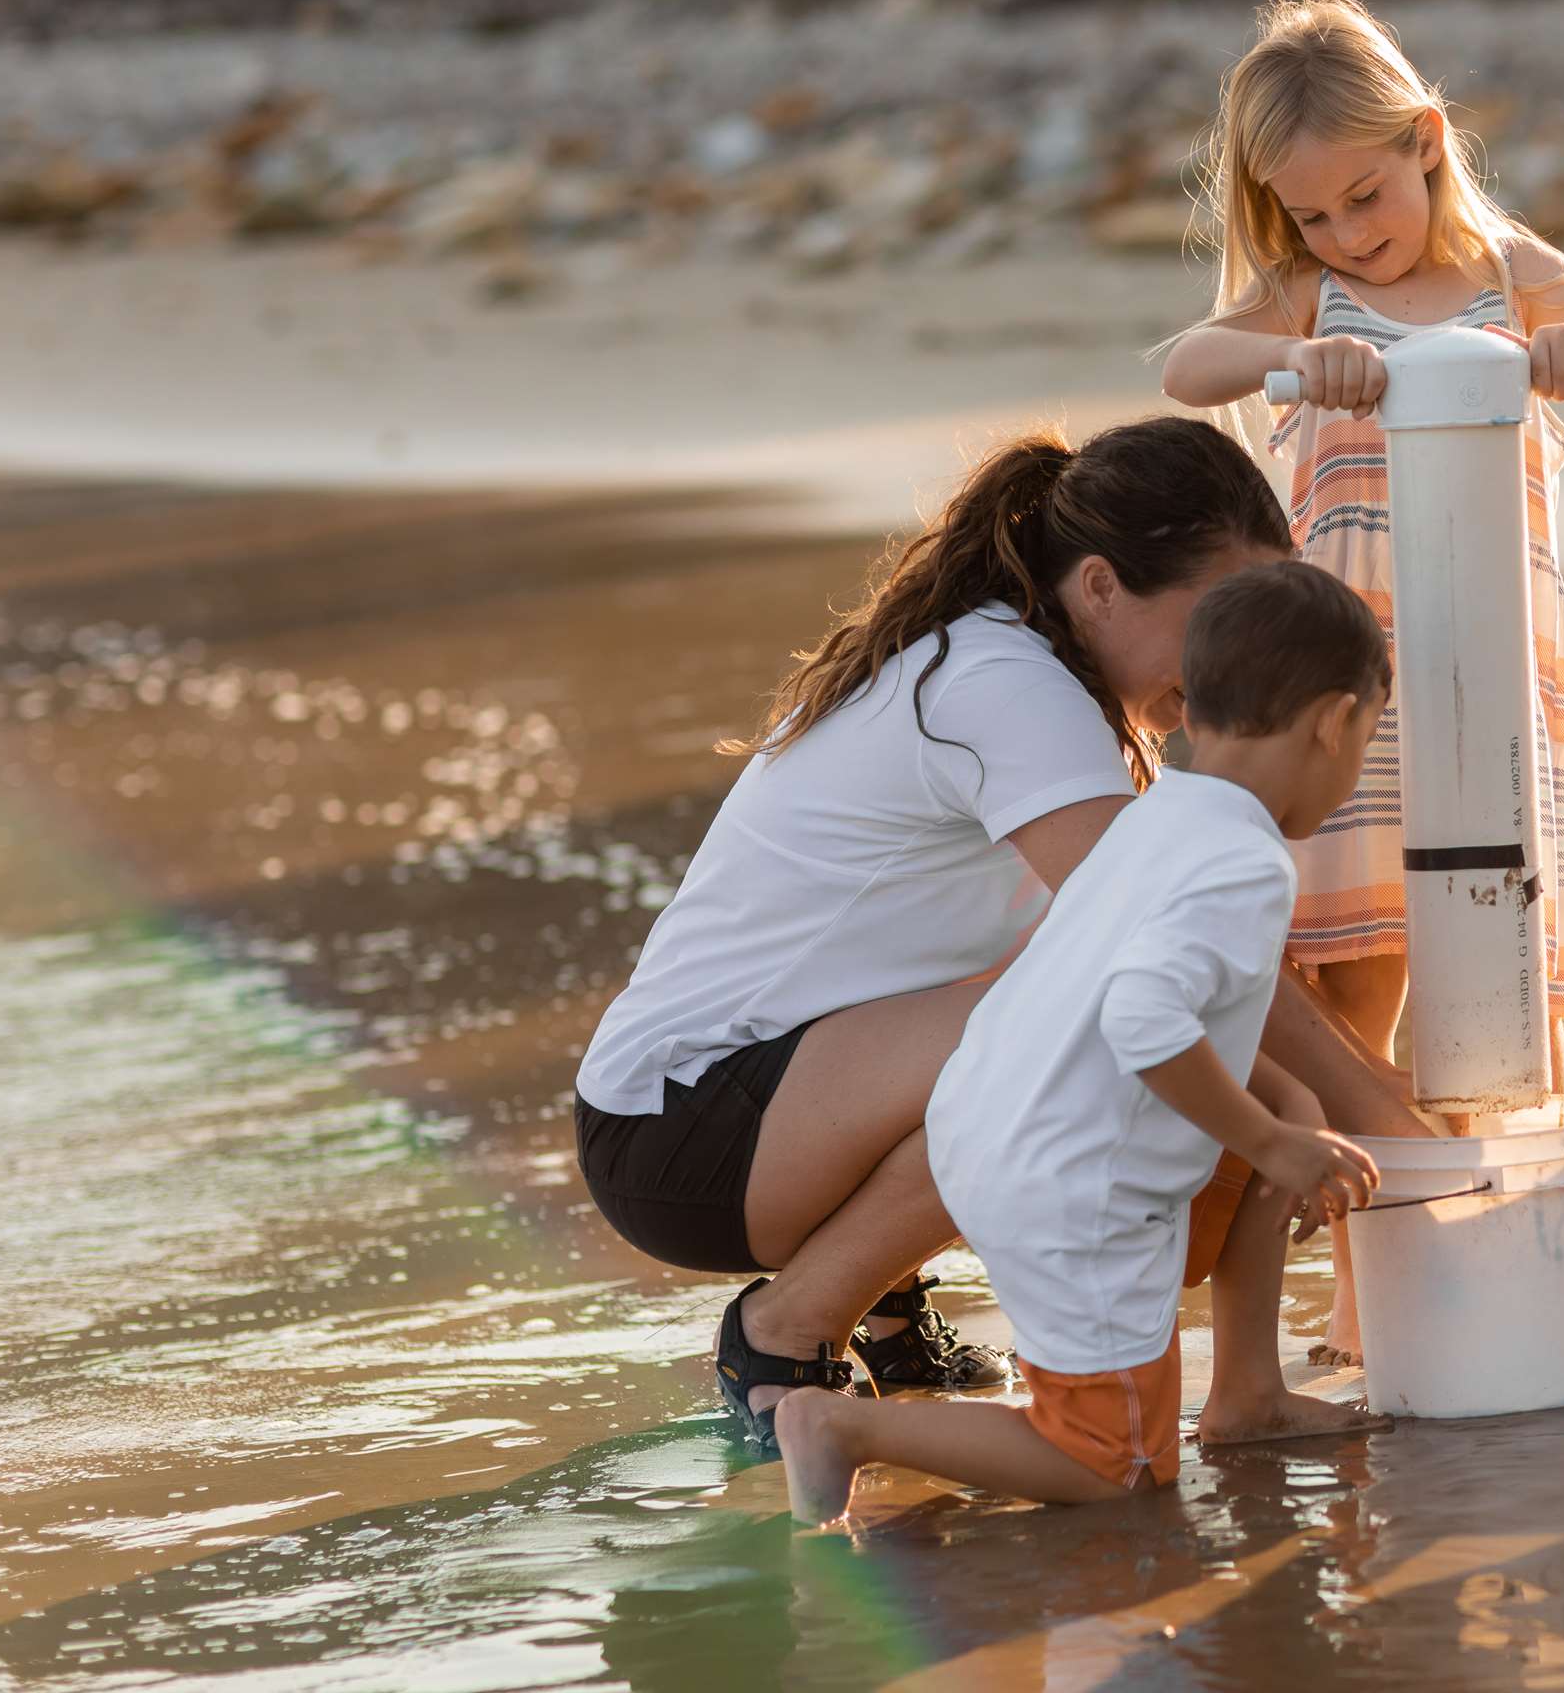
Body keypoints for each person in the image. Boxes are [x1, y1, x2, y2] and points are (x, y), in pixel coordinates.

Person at [570, 416, 1424, 1453]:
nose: (1241, 662)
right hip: (681, 1134)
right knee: (1085, 1026)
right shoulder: (1004, 683)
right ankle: (786, 1327)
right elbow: (1156, 933)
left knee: (1090, 1001)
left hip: (770, 1100)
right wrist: (1386, 1116)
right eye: (1220, 616)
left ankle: (886, 1306)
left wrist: (1325, 1100)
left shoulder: (1037, 670)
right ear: (1101, 586)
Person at [1157, 0, 1564, 1355]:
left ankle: (1561, 1265)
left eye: (1366, 196)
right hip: (1346, 693)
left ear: (1428, 142)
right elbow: (1186, 368)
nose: (1349, 234)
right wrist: (1299, 354)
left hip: (1500, 674)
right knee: (1357, 976)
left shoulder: (1514, 274)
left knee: (1519, 960)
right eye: (1312, 217)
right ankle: (1372, 1296)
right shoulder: (1315, 298)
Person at [776, 562, 1392, 1519]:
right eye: (1369, 740)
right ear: (1334, 723)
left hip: (993, 1127)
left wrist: (1287, 1106)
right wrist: (1273, 1140)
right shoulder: (1246, 863)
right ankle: (842, 1428)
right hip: (1071, 1181)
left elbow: (1150, 993)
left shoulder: (1161, 818)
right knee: (1116, 1465)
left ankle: (1248, 1395)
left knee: (1276, 1132)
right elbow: (1141, 1017)